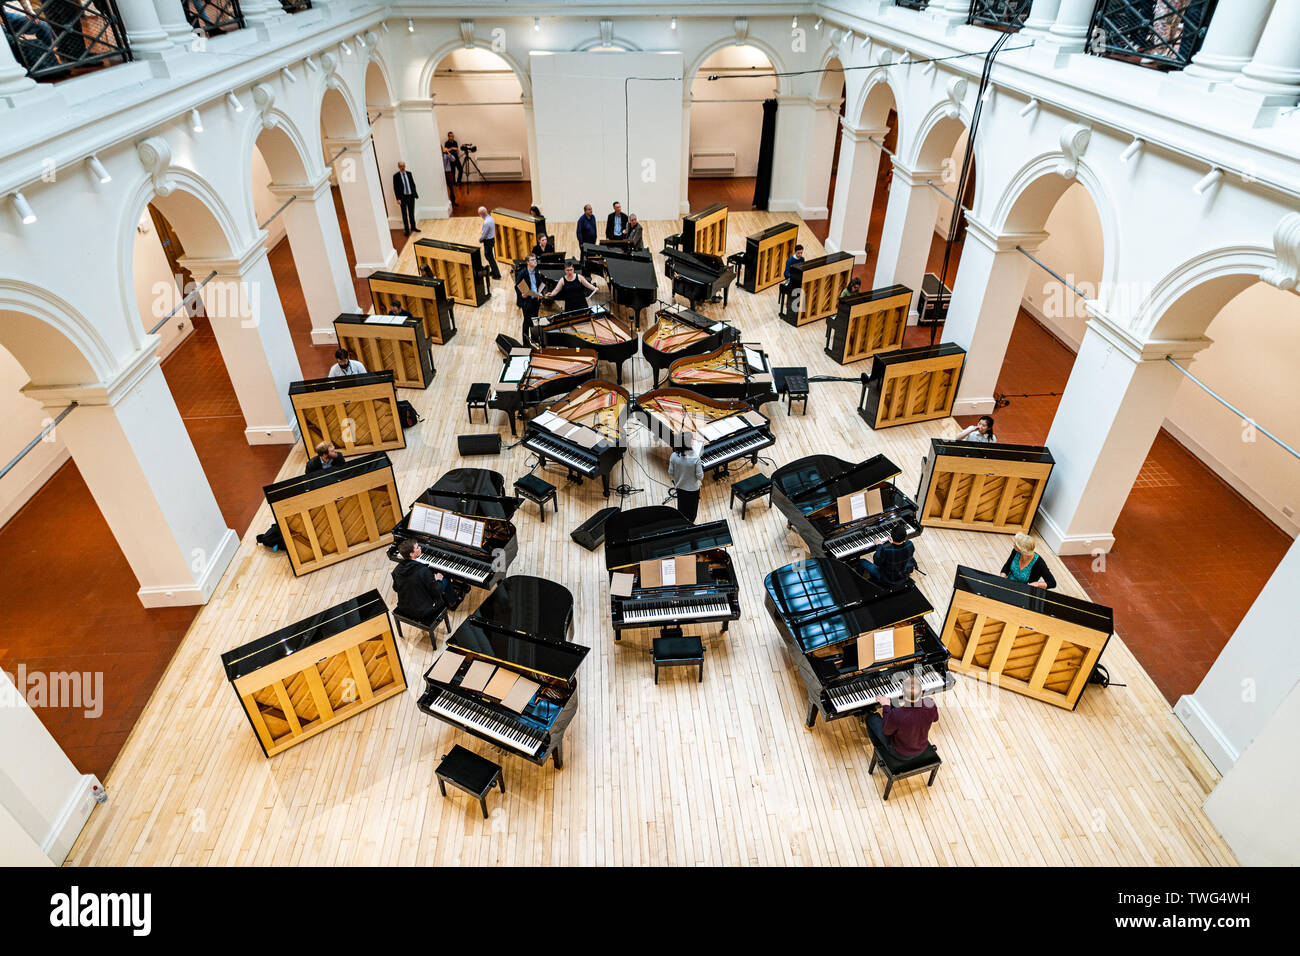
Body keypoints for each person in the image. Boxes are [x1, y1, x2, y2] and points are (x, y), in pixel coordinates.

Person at [865, 673, 939, 761]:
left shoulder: (898, 714)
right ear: (921, 691)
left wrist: (886, 706)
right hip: (921, 747)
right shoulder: (930, 703)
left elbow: (886, 731)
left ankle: (881, 749)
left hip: (900, 753)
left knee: (871, 718)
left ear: (903, 693)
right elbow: (935, 719)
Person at [391, 539, 460, 630]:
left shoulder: (397, 570)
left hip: (404, 606)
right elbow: (437, 591)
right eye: (417, 547)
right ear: (411, 554)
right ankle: (452, 602)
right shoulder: (423, 571)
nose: (420, 548)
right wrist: (438, 579)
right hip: (424, 611)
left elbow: (396, 588)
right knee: (445, 578)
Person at [860, 524, 916, 590]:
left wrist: (879, 545)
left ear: (891, 537)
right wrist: (893, 543)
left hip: (888, 579)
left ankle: (860, 583)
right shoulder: (910, 544)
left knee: (862, 561)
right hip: (903, 576)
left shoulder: (887, 550)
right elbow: (900, 551)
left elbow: (876, 561)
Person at [668, 434, 704, 522]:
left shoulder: (673, 456)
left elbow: (670, 472)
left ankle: (682, 524)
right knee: (692, 512)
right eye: (692, 440)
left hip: (680, 488)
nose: (693, 441)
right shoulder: (695, 458)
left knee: (682, 509)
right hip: (693, 490)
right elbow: (700, 477)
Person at [515, 253, 546, 344]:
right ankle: (526, 342)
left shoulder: (536, 271)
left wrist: (541, 293)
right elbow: (517, 286)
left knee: (535, 320)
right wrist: (521, 294)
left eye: (535, 259)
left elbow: (540, 284)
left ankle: (535, 339)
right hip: (526, 301)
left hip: (535, 300)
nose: (535, 261)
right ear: (527, 262)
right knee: (527, 321)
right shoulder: (522, 273)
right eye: (532, 260)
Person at [392, 161, 419, 236]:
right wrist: (398, 198)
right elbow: (395, 188)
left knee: (411, 213)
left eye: (403, 165)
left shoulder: (409, 174)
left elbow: (412, 184)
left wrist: (414, 193)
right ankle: (407, 230)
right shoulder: (396, 176)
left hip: (410, 196)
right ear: (398, 167)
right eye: (401, 166)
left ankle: (413, 227)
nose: (402, 167)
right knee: (404, 214)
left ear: (405, 166)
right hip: (402, 198)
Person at [780, 244, 805, 312]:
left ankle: (798, 303)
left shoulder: (802, 259)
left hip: (798, 279)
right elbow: (786, 272)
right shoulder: (790, 260)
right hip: (790, 279)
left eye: (801, 253)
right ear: (795, 252)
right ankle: (789, 304)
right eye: (798, 253)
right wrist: (792, 277)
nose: (800, 254)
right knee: (792, 288)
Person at [477, 206, 501, 280]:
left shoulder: (487, 222)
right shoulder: (490, 218)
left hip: (488, 241)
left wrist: (480, 239)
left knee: (489, 257)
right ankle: (494, 271)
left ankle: (496, 274)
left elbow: (484, 234)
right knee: (489, 257)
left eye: (479, 214)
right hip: (491, 240)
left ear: (482, 214)